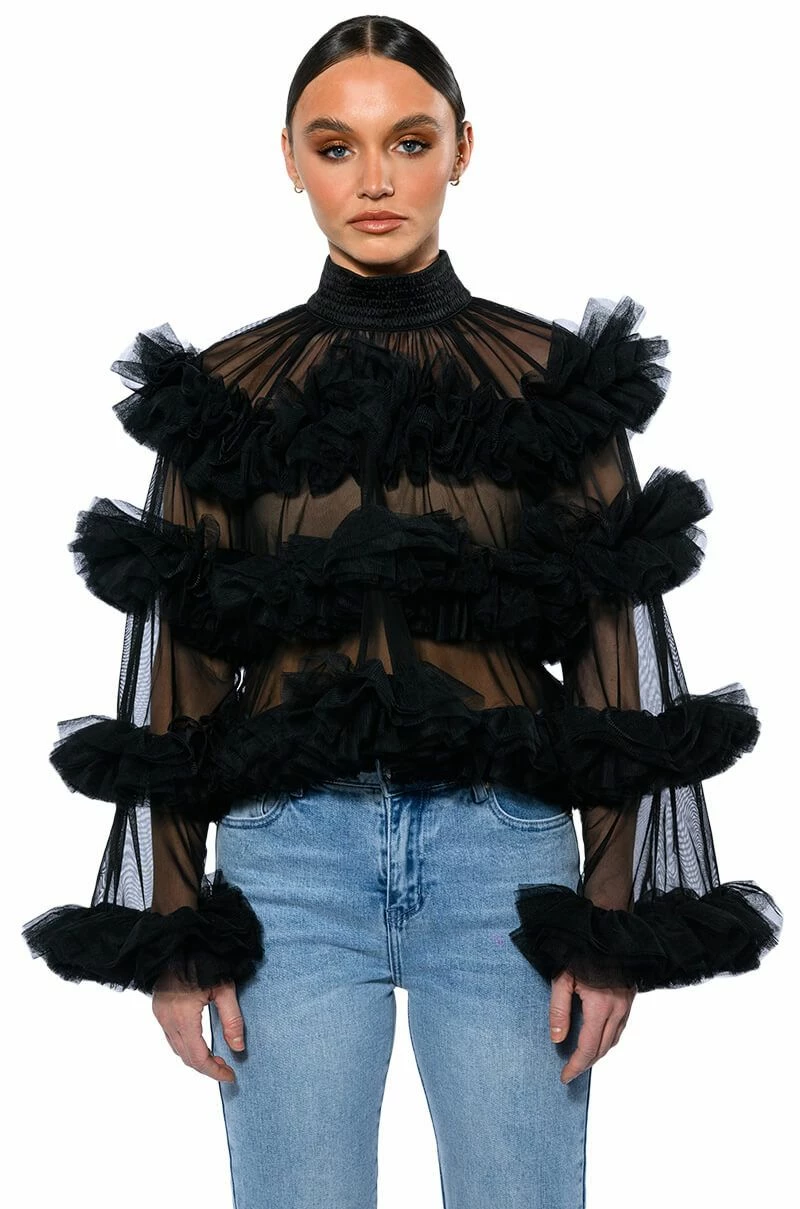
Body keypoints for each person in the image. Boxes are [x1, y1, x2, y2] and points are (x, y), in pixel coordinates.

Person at [21, 14, 782, 1209]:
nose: (373, 180)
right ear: (288, 159)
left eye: (408, 142)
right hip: (285, 870)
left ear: (462, 149)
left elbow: (611, 657)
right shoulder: (224, 394)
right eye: (336, 147)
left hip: (504, 866)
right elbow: (178, 671)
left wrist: (604, 924)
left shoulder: (548, 383)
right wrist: (176, 933)